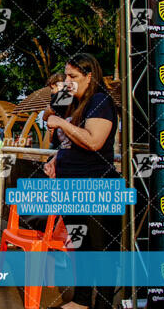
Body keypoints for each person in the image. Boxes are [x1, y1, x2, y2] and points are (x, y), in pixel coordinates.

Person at [44, 53, 120, 309]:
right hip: (71, 187)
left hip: (97, 186)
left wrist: (61, 125)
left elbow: (93, 141)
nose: (68, 81)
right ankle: (82, 299)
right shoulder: (72, 103)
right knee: (81, 246)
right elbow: (49, 116)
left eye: (73, 77)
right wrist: (57, 157)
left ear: (90, 77)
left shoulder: (99, 101)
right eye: (66, 75)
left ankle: (105, 303)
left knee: (102, 252)